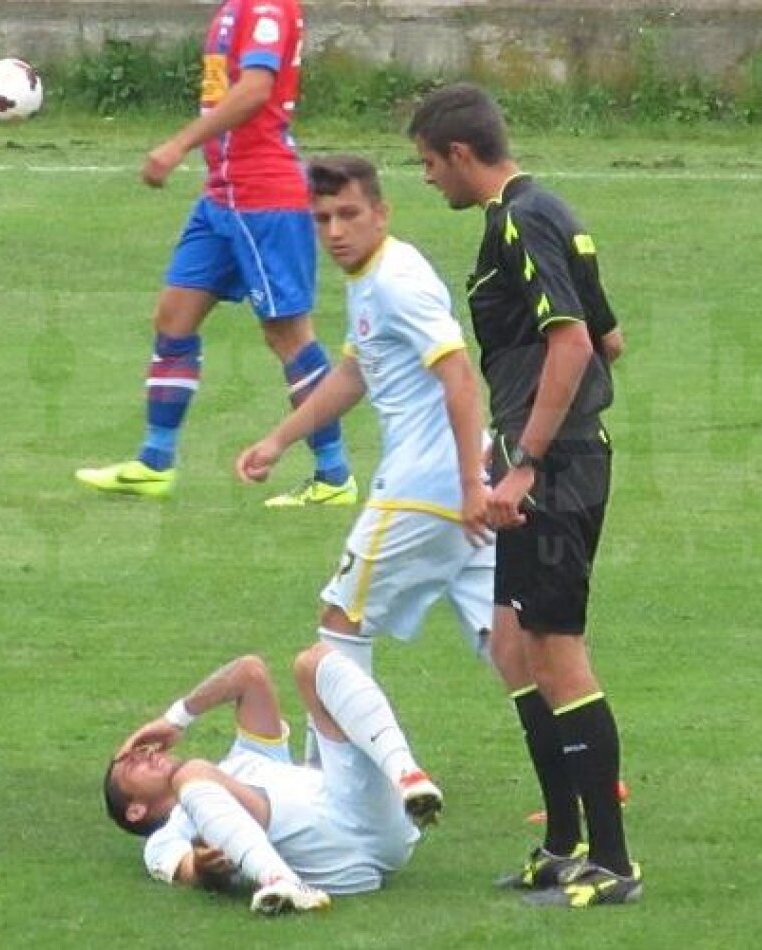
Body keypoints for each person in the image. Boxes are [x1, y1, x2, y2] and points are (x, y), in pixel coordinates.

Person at [407, 83, 640, 908]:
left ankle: (611, 862)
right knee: (512, 645)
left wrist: (528, 459)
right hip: (550, 452)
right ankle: (563, 843)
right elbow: (609, 333)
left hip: (558, 463)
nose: (428, 178)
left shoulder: (519, 220)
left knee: (555, 648)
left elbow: (575, 343)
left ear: (462, 155)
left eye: (429, 164)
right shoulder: (546, 212)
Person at [75, 0, 356, 507]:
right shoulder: (236, 6)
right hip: (221, 195)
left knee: (287, 335)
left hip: (262, 197)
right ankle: (154, 463)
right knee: (173, 317)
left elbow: (255, 90)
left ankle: (334, 474)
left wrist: (177, 145)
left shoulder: (268, 6)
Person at [234, 155, 493, 679]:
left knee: (339, 628)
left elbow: (460, 377)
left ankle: (350, 766)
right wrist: (278, 440)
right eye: (322, 218)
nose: (335, 232)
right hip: (460, 484)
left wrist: (469, 486)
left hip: (425, 487)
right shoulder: (370, 276)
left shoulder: (397, 282)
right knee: (511, 646)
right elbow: (355, 372)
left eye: (348, 215)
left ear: (381, 213)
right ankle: (581, 762)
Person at [104, 645, 443, 914]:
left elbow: (249, 672)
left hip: (378, 819)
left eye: (142, 750)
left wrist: (176, 719)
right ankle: (280, 881)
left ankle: (407, 775)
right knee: (191, 771)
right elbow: (187, 870)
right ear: (135, 810)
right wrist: (206, 868)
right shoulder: (165, 837)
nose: (146, 753)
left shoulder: (245, 758)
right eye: (132, 764)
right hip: (330, 862)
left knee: (312, 662)